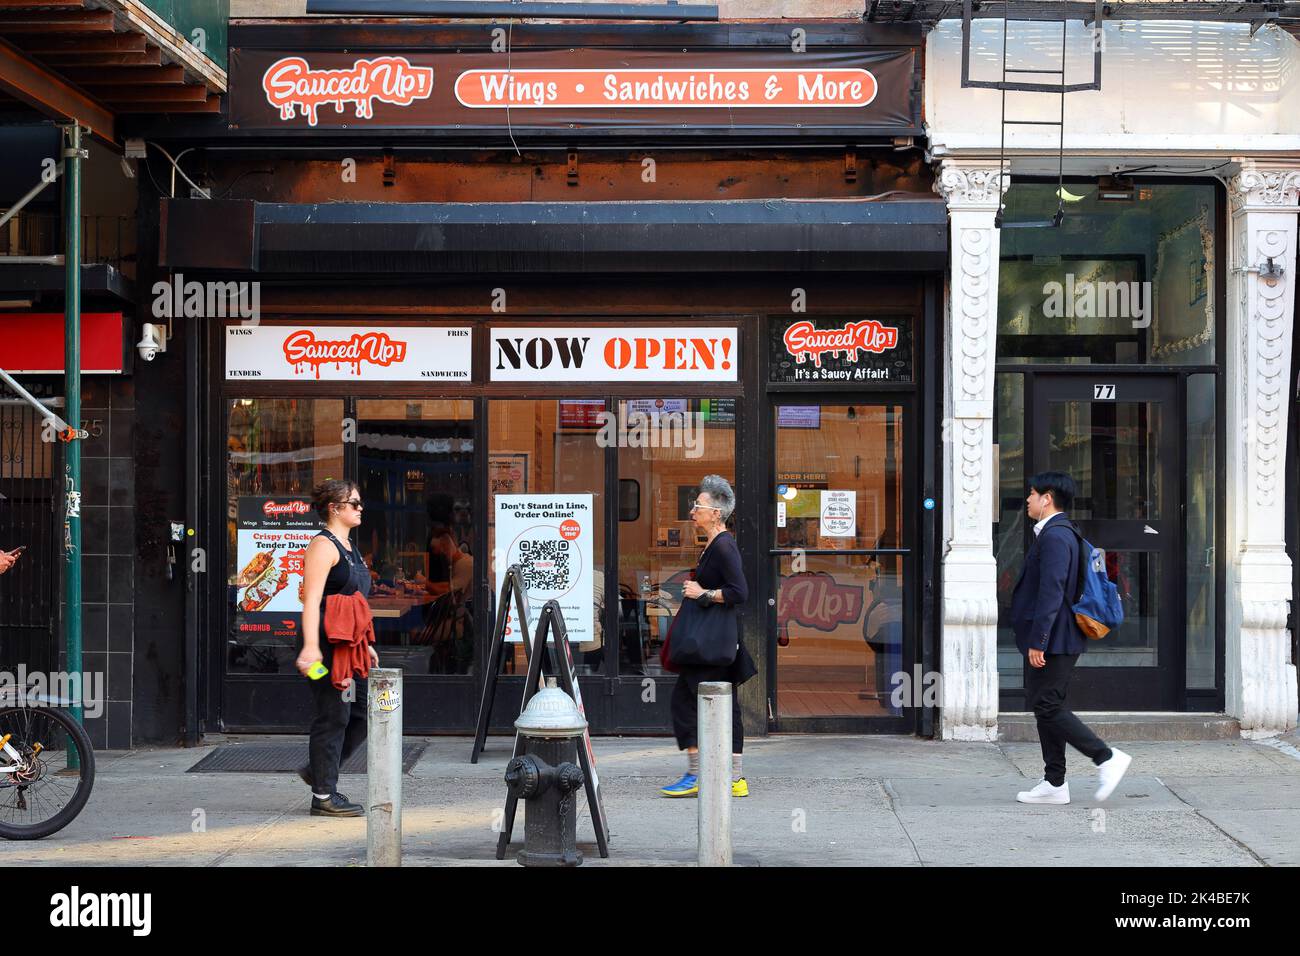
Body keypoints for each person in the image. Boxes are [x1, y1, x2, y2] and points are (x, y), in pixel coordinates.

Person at [1010, 471, 1131, 805]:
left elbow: (1053, 590)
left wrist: (1040, 639)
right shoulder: (1060, 533)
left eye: (1032, 493)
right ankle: (1054, 783)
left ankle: (1105, 757)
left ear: (1047, 498)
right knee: (1046, 705)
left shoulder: (1056, 536)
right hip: (1058, 636)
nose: (1028, 500)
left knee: (1047, 705)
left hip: (1057, 638)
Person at [660, 475, 757, 799]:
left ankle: (697, 775)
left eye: (698, 506)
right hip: (718, 640)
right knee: (726, 706)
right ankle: (734, 778)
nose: (693, 511)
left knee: (684, 703)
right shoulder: (716, 545)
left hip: (711, 643)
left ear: (716, 512)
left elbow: (739, 592)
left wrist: (702, 593)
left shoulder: (724, 546)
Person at [294, 479, 379, 817]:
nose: (360, 508)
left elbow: (353, 603)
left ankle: (319, 772)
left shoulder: (349, 546)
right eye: (354, 503)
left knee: (360, 711)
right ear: (335, 508)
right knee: (333, 714)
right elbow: (311, 601)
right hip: (320, 648)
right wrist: (311, 648)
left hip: (347, 646)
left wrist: (365, 645)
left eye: (359, 503)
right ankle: (324, 796)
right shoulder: (323, 546)